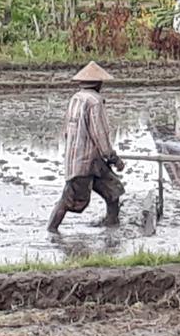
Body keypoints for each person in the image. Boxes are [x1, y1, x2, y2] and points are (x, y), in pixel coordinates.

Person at [47, 61, 126, 233]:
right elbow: (100, 134)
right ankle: (52, 230)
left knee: (113, 191)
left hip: (87, 160)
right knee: (70, 200)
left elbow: (67, 130)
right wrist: (113, 158)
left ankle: (111, 225)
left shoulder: (75, 98)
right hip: (85, 162)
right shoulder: (95, 102)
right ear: (99, 83)